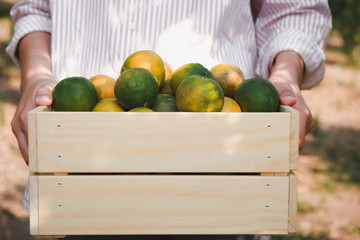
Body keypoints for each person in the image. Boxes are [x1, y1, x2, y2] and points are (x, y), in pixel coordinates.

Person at [6, 0, 332, 239]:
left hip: (222, 178)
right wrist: (35, 76)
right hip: (77, 174)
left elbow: (293, 9)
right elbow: (36, 7)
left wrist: (286, 72)